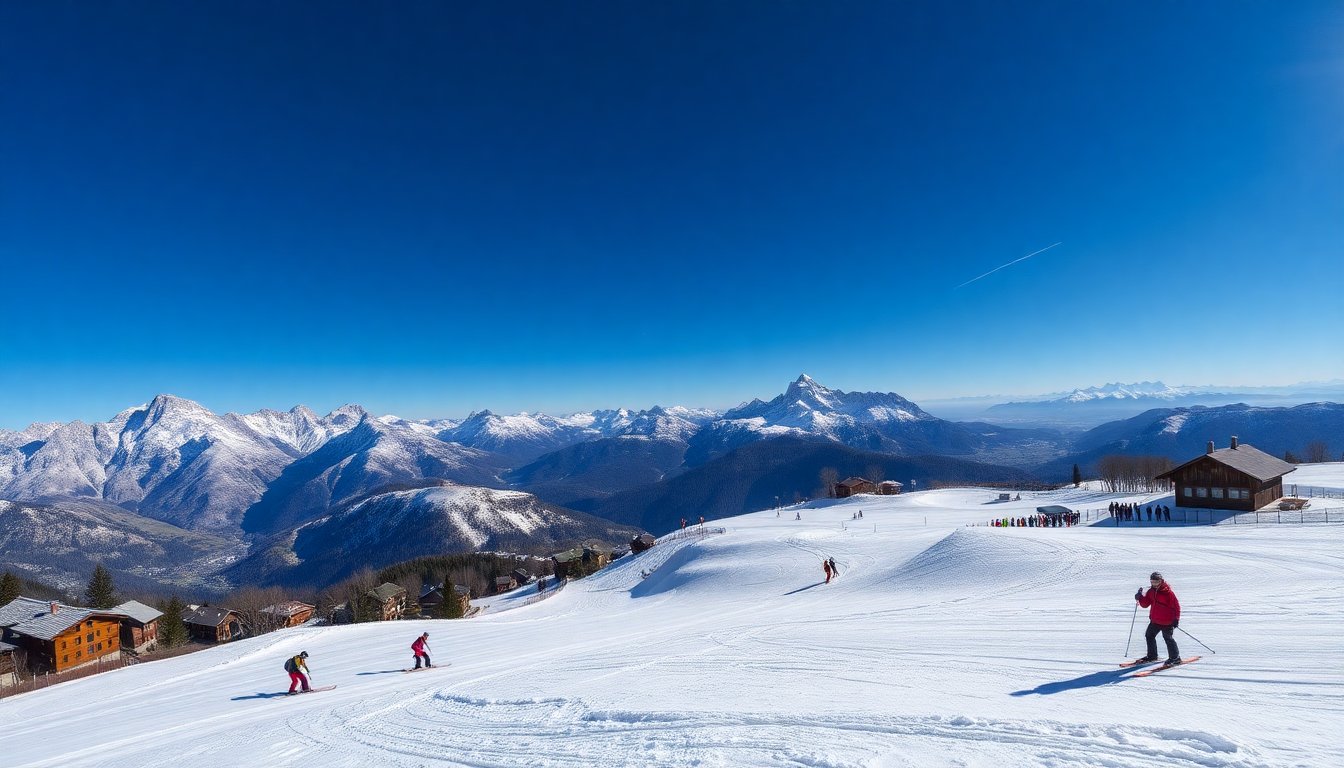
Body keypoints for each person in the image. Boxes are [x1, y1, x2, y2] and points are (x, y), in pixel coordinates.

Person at [1135, 571, 1181, 665]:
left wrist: (1176, 619)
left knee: (1168, 638)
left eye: (1156, 582)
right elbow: (1145, 604)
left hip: (1167, 621)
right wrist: (1140, 597)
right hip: (1155, 620)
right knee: (1149, 635)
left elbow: (1176, 606)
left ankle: (1175, 658)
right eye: (1152, 582)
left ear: (1161, 581)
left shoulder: (1168, 592)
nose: (1154, 584)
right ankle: (1152, 656)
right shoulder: (1151, 591)